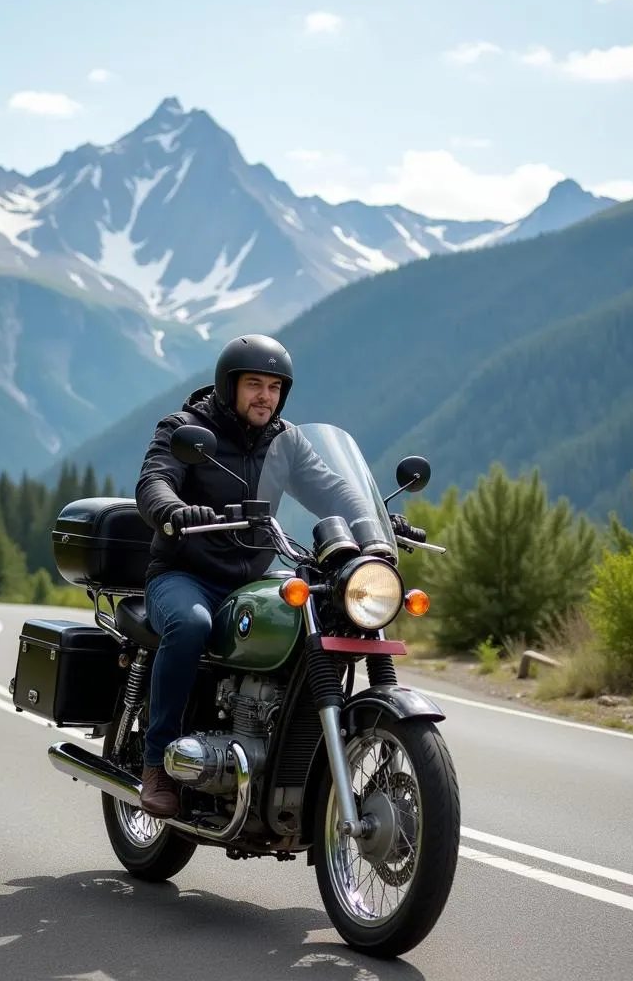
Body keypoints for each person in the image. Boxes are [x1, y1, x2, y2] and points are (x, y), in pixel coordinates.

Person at [133, 334, 424, 817]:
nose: (264, 396)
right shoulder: (186, 428)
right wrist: (173, 509)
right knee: (192, 626)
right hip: (185, 574)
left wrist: (374, 522)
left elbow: (333, 490)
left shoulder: (284, 442)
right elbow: (154, 479)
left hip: (253, 576)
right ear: (229, 387)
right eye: (253, 385)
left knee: (319, 615)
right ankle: (157, 762)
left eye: (273, 387)